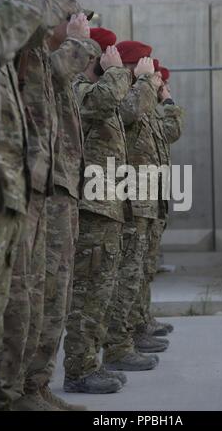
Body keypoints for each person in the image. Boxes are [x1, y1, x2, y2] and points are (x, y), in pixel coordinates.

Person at [0, 0, 88, 412]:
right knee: (13, 302)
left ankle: (27, 389)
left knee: (34, 295)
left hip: (28, 186)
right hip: (20, 190)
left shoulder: (25, 50)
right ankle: (10, 393)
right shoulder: (7, 36)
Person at [63, 31, 133, 394]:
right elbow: (103, 101)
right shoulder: (81, 90)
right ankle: (78, 370)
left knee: (101, 293)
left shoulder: (100, 94)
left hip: (107, 209)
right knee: (87, 294)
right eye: (109, 55)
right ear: (98, 58)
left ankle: (92, 363)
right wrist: (117, 73)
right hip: (90, 210)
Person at [103, 41, 168, 372]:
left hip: (143, 201)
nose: (154, 79)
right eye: (144, 69)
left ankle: (130, 335)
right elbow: (126, 113)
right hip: (126, 201)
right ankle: (118, 344)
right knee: (125, 276)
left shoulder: (141, 101)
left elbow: (170, 131)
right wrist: (143, 84)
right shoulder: (121, 98)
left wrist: (163, 97)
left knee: (137, 274)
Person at [132, 63, 184, 339]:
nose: (161, 87)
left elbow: (172, 131)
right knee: (134, 270)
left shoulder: (151, 112)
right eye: (158, 82)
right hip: (136, 200)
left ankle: (142, 319)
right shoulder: (135, 107)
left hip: (153, 200)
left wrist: (169, 101)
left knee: (146, 267)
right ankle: (131, 330)